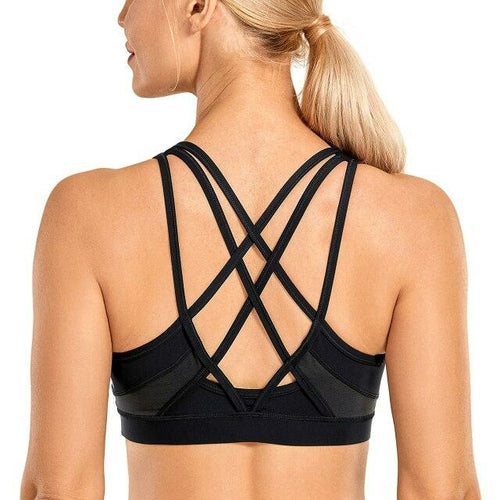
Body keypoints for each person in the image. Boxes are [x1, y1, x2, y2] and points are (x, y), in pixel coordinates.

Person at [20, 0, 481, 498]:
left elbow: (60, 488)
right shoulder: (413, 221)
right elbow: (443, 490)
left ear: (197, 6)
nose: (122, 14)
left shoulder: (88, 216)